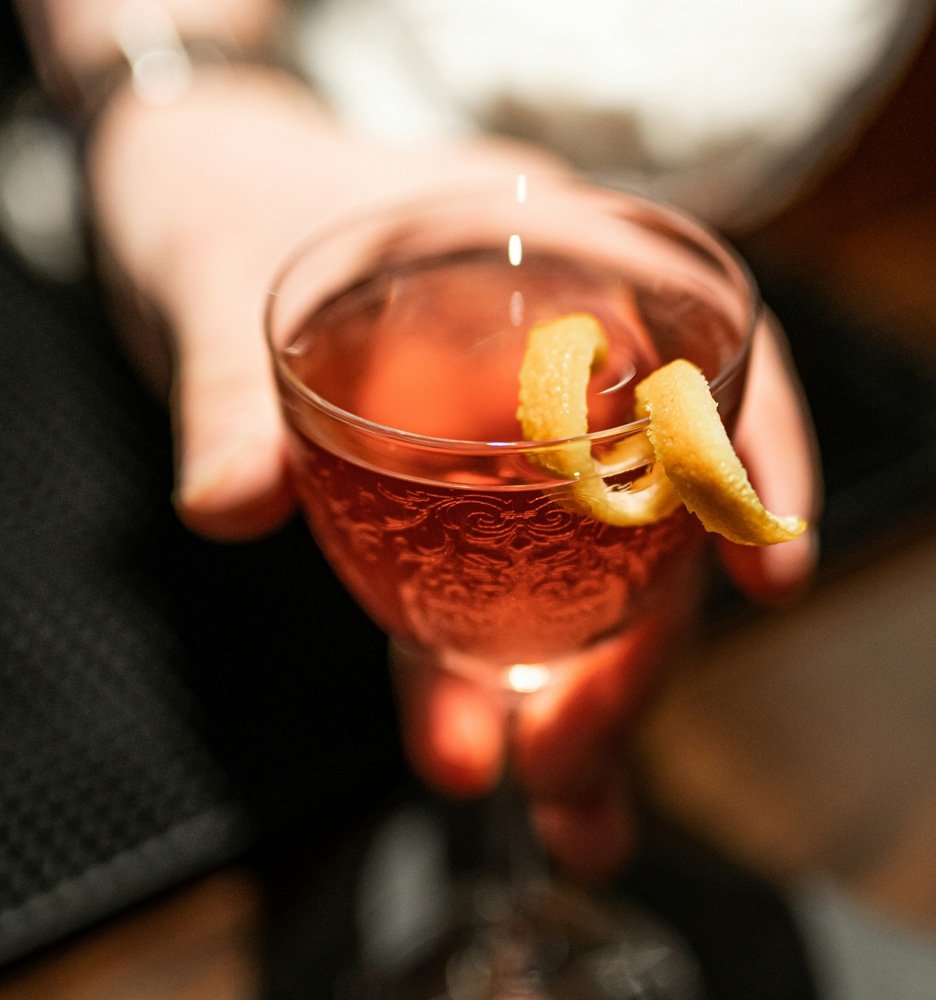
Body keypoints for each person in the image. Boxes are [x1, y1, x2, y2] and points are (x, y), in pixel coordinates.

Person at [13, 0, 828, 880]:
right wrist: (182, 89)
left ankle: (523, 910)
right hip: (289, 176)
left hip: (665, 273)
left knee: (560, 750)